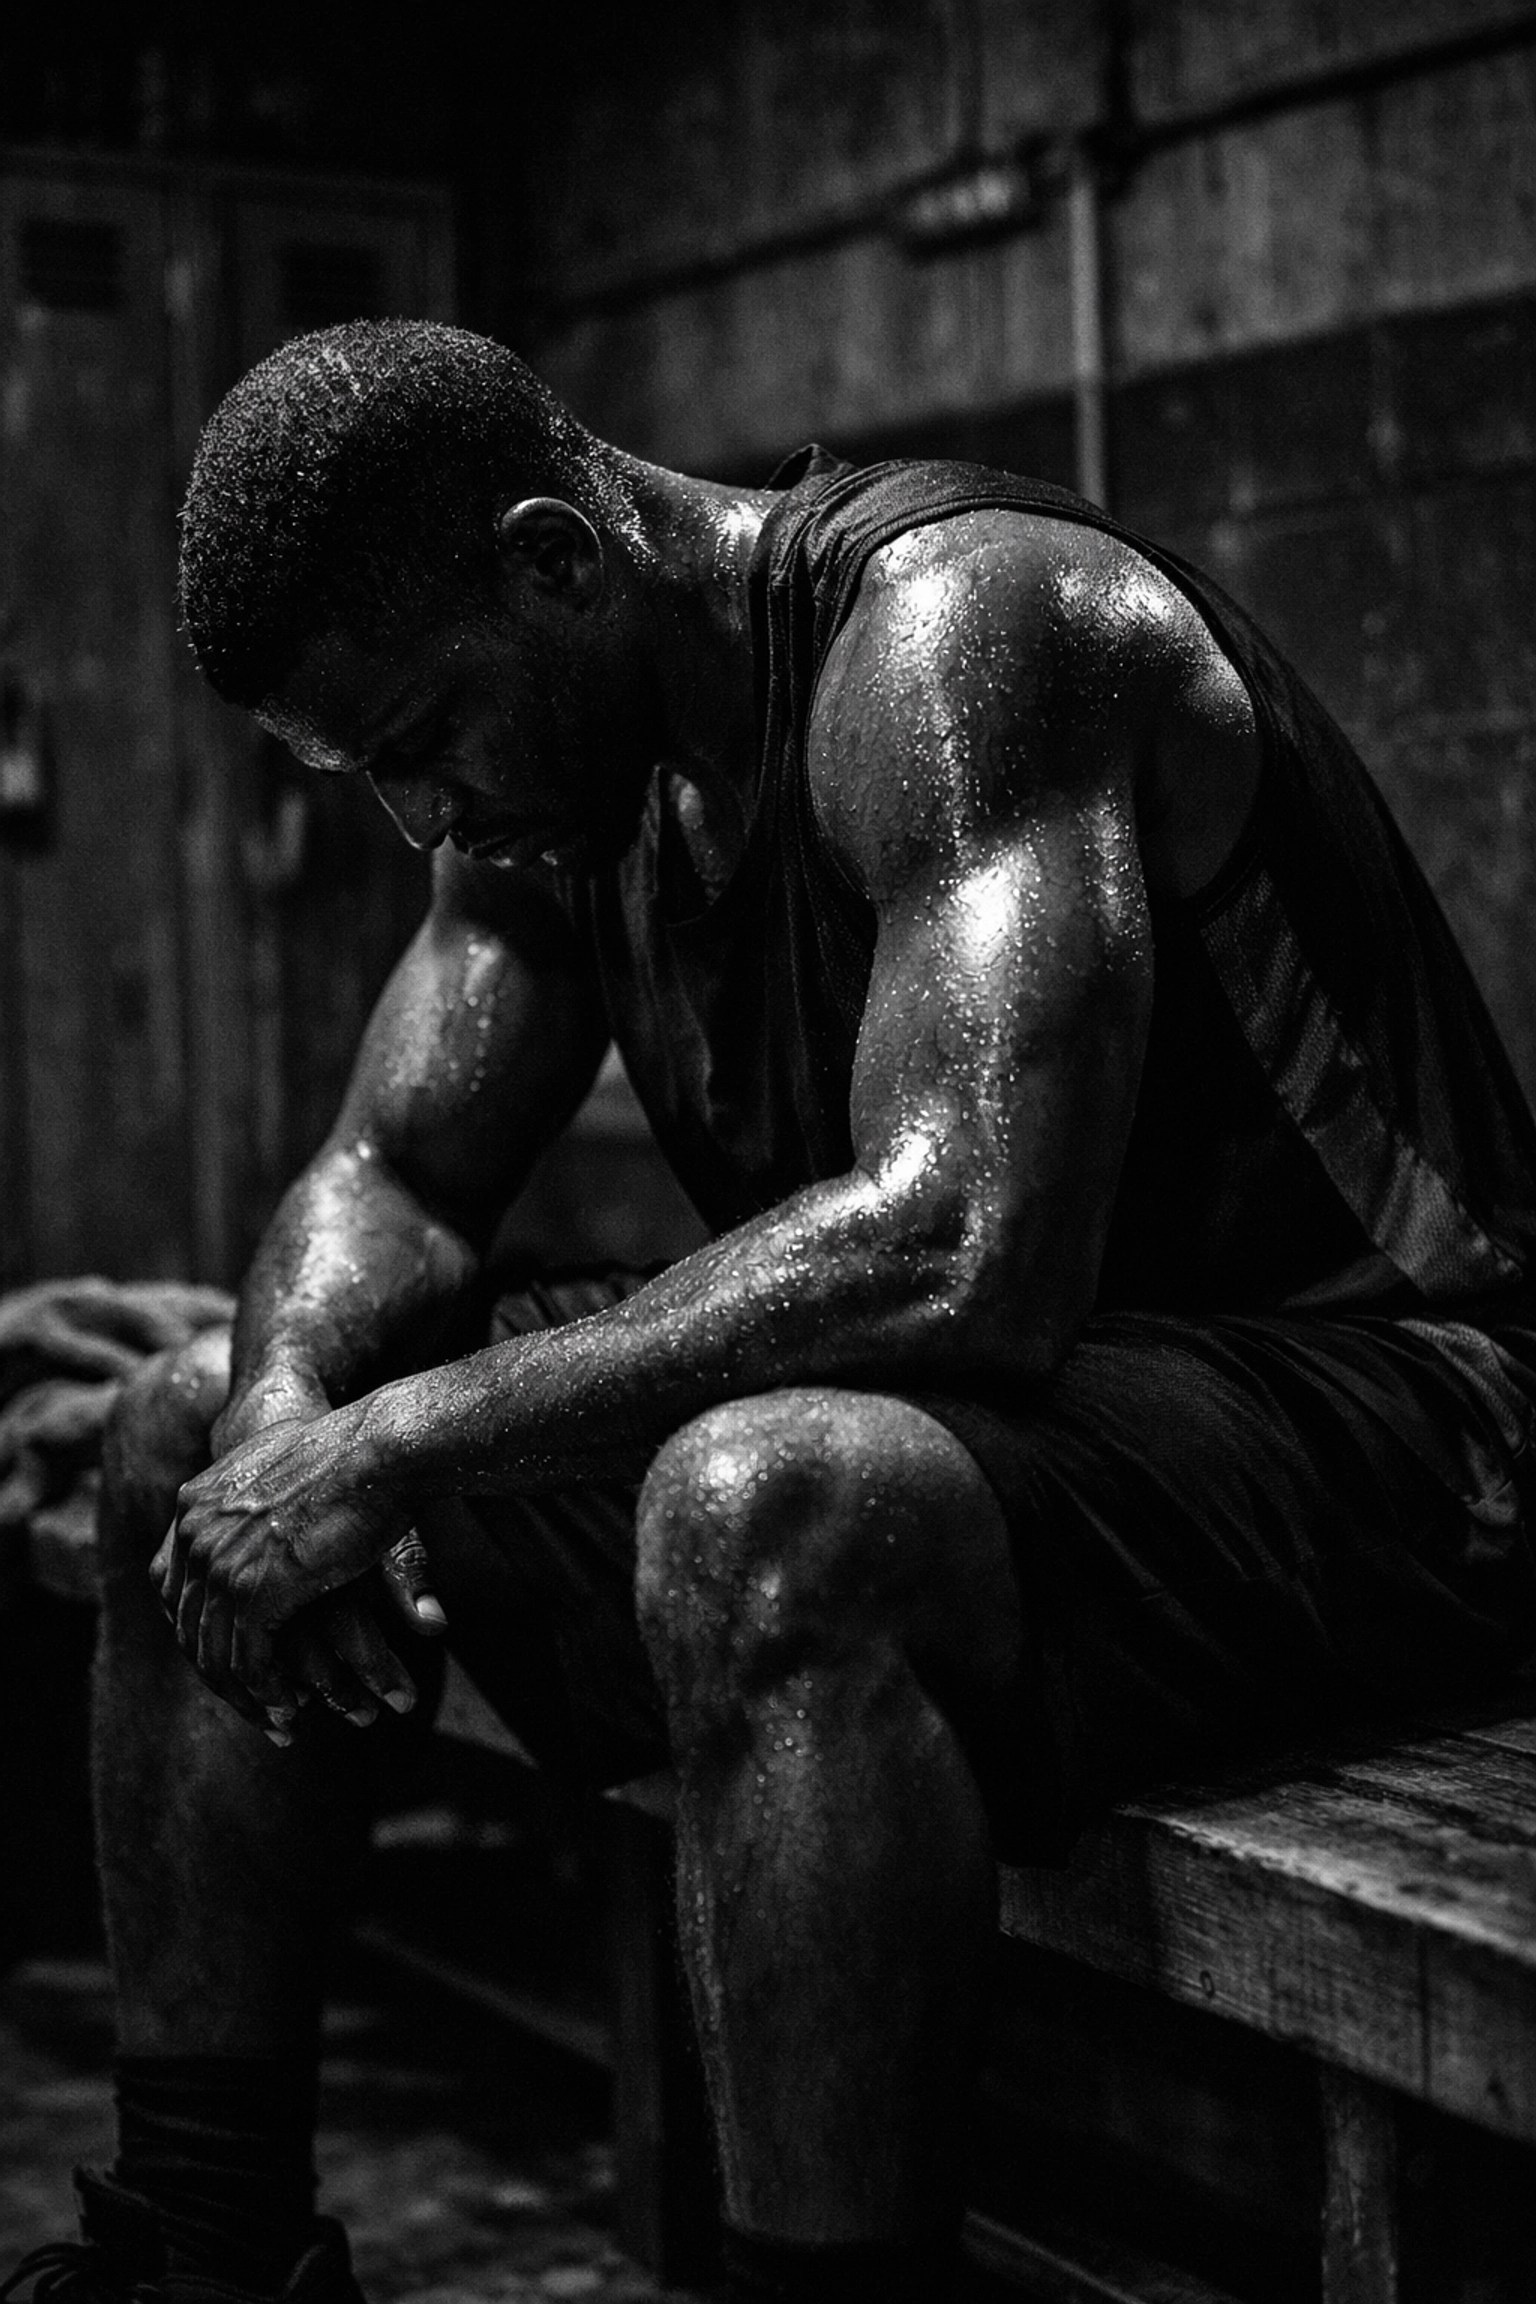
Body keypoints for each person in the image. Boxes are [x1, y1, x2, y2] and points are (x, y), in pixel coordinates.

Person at [10, 317, 1536, 2304]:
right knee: (173, 1432)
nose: (415, 817)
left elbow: (960, 1251)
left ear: (560, 559)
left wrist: (388, 1448)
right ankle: (203, 2253)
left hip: (1417, 1414)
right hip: (1074, 1433)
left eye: (413, 744)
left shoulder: (960, 640)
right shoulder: (550, 798)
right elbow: (395, 1184)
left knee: (772, 1506)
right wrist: (289, 1413)